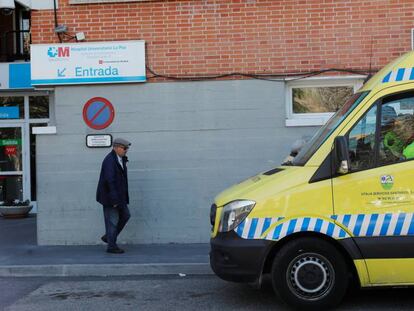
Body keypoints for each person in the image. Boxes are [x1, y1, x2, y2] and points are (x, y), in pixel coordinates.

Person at [96, 138, 131, 254]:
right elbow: (109, 181)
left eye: (127, 148)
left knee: (126, 215)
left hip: (119, 196)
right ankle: (111, 246)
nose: (126, 150)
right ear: (116, 148)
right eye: (124, 148)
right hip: (110, 197)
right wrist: (114, 199)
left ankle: (109, 237)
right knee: (112, 221)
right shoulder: (110, 160)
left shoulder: (120, 159)